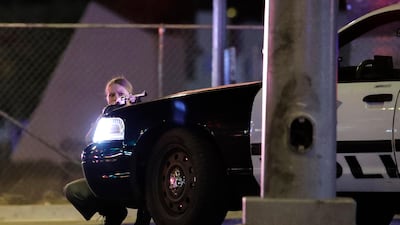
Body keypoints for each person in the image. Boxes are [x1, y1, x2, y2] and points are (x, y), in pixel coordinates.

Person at [64, 76, 151, 225]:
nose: (116, 98)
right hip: (111, 181)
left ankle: (143, 218)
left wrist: (130, 109)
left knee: (149, 183)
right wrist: (106, 114)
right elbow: (89, 139)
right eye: (111, 95)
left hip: (137, 183)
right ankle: (114, 213)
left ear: (130, 96)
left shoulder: (140, 118)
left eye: (121, 94)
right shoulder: (105, 119)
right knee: (73, 191)